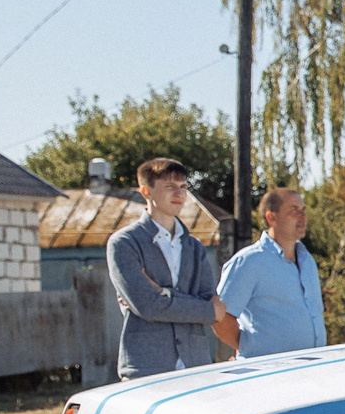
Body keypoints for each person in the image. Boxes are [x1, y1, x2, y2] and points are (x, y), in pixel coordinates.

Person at [108, 157, 226, 379]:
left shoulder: (195, 247)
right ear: (146, 191)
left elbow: (215, 309)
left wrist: (164, 294)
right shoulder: (124, 243)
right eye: (170, 187)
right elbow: (147, 306)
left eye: (183, 187)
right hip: (147, 368)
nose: (179, 194)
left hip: (196, 367)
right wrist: (203, 310)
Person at [216, 188, 326, 358]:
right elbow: (220, 317)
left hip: (311, 370)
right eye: (294, 211)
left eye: (303, 211)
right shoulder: (249, 261)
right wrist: (250, 347)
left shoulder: (308, 261)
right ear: (271, 217)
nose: (302, 217)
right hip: (267, 374)